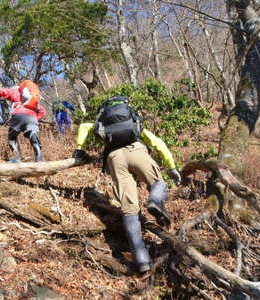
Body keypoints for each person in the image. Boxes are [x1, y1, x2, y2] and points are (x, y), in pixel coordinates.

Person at [73, 95, 181, 273]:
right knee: (157, 182)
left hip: (115, 158)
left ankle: (142, 260)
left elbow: (84, 127)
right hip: (136, 149)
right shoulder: (133, 121)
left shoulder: (105, 123)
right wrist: (171, 167)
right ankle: (154, 200)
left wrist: (79, 148)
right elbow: (158, 143)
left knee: (129, 209)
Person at [0, 80, 46, 163]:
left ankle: (17, 158)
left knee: (12, 137)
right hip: (32, 117)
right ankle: (39, 157)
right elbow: (43, 111)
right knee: (32, 134)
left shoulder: (14, 91)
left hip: (19, 115)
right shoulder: (31, 99)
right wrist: (36, 119)